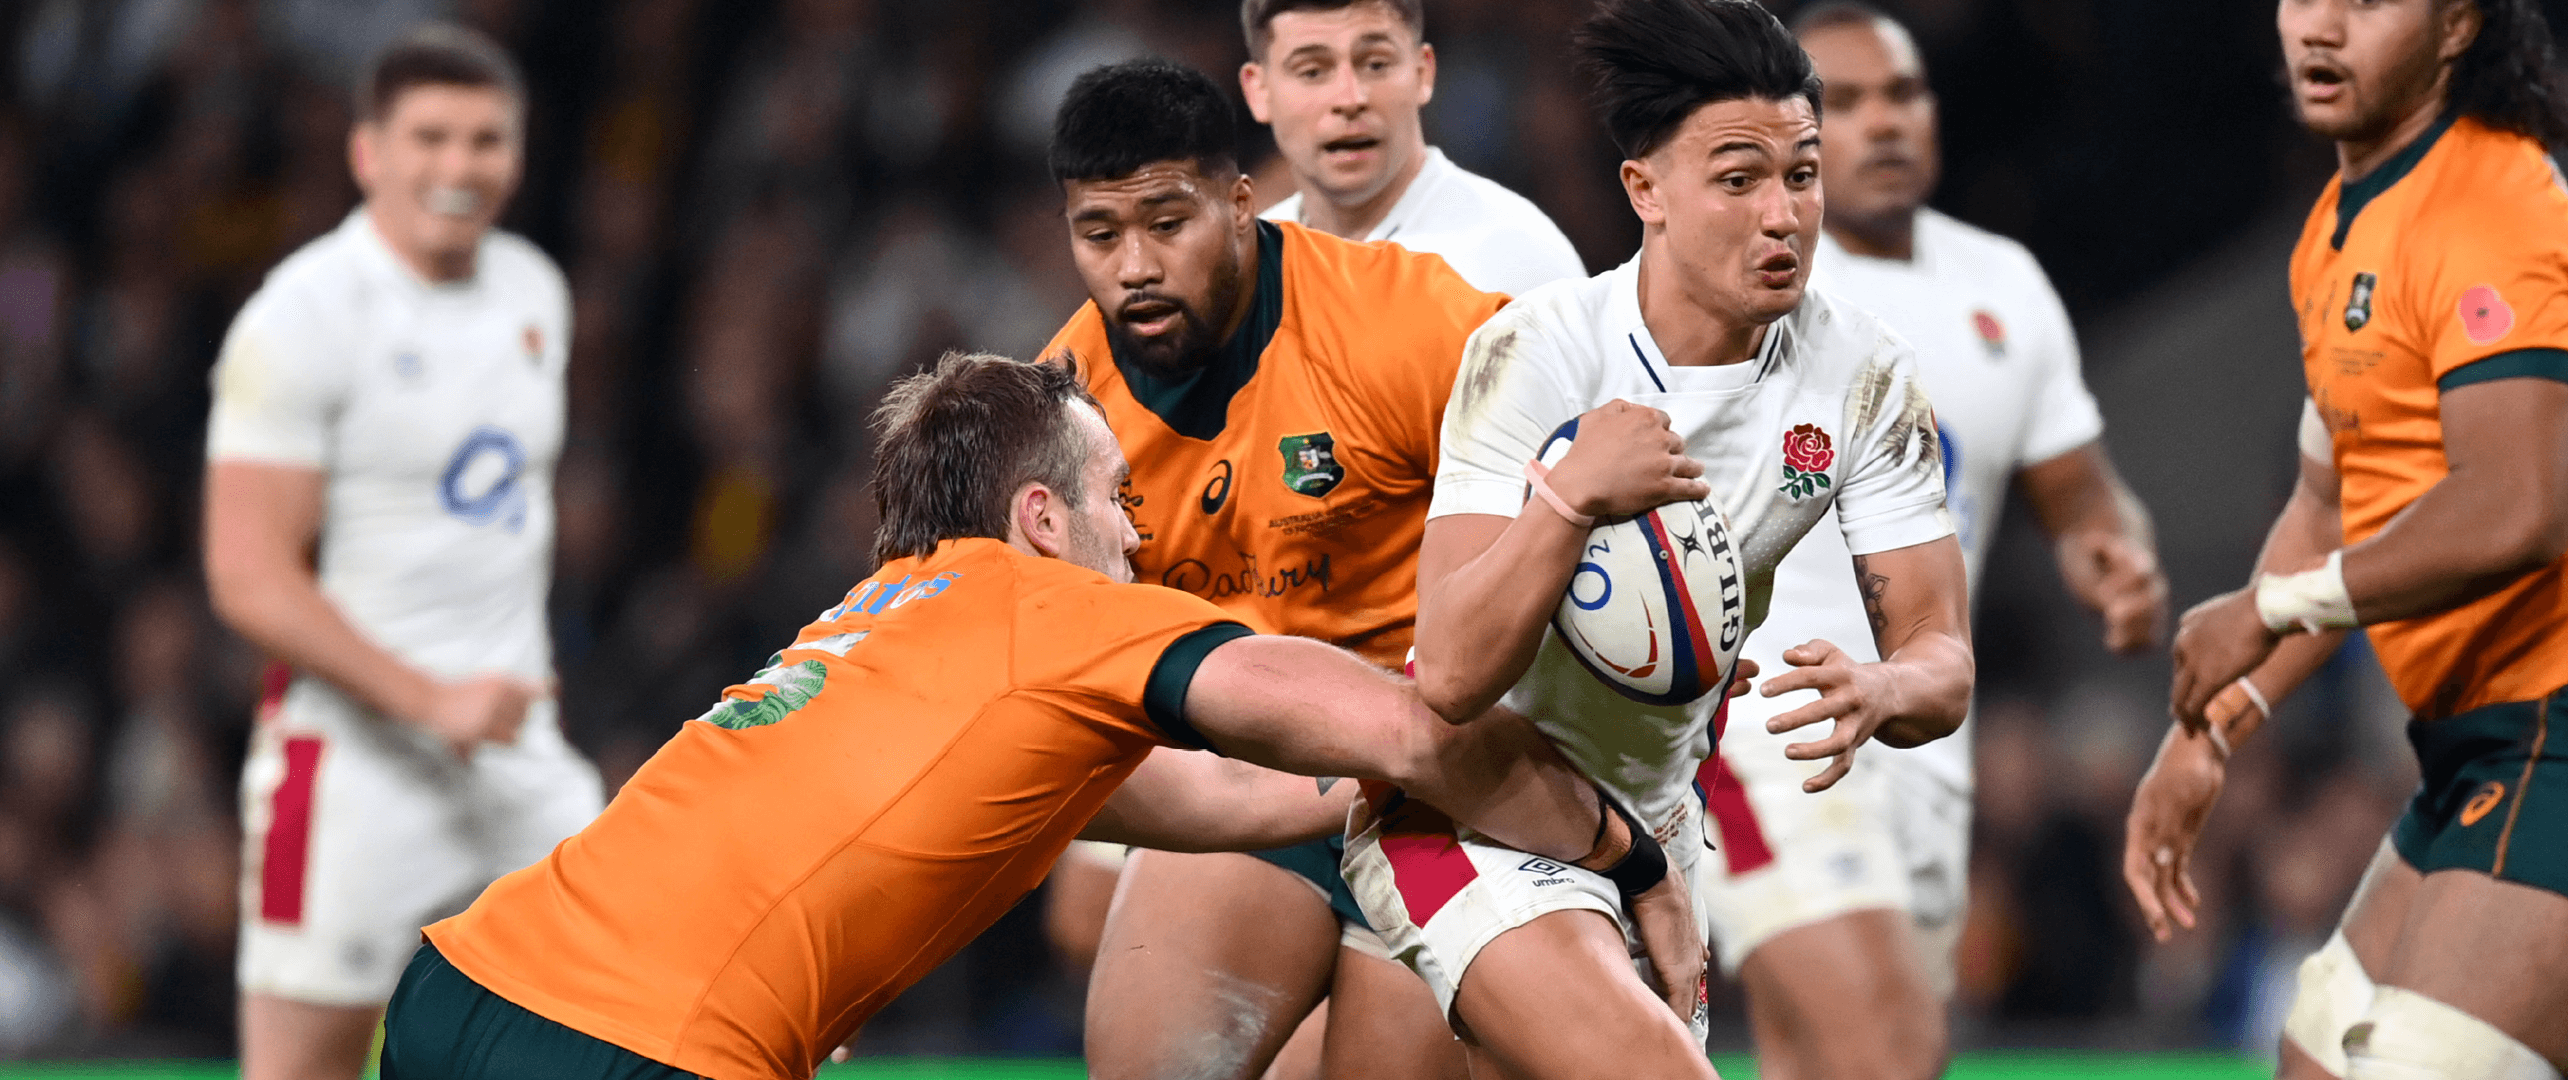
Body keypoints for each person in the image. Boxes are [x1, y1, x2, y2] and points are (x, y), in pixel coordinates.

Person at [382, 350, 1700, 1080]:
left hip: (459, 989)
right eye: (1120, 498)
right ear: (1039, 516)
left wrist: (1381, 809)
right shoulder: (1053, 611)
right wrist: (1629, 850)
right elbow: (1417, 732)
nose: (1140, 530)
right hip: (636, 1050)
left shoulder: (883, 616)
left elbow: (1225, 800)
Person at [2122, 0, 2568, 1080]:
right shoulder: (2337, 231)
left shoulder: (2490, 203)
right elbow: (2324, 498)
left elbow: (2519, 507)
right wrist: (2213, 730)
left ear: (2456, 26)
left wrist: (2269, 610)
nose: (2321, 23)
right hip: (2478, 746)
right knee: (2314, 1063)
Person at [1341, 0, 1977, 1079]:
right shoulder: (1539, 351)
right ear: (1647, 188)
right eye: (1739, 178)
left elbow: (1945, 660)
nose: (1783, 213)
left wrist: (1882, 689)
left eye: (1802, 175)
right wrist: (1570, 496)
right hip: (1469, 808)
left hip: (1654, 831)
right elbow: (1444, 669)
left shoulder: (1860, 372)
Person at [1693, 0, 2169, 1079]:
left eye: (1902, 92)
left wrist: (2113, 547)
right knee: (1887, 1049)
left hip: (1922, 737)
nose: (1884, 122)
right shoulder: (1742, 281)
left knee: (1836, 1060)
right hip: (1770, 723)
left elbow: (2082, 491)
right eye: (1845, 102)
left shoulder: (2004, 286)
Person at [1035, 57, 1503, 1080]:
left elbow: (1576, 521)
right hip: (1247, 785)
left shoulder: (1415, 325)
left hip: (1444, 784)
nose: (1135, 266)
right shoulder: (1063, 417)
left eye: (1169, 221)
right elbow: (1039, 664)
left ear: (1239, 202)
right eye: (1100, 234)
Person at [203, 23, 606, 1080]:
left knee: (651, 1005)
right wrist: (430, 697)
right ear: (367, 150)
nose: (458, 167)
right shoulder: (302, 315)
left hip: (516, 747)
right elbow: (248, 571)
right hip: (351, 761)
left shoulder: (533, 292)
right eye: (430, 137)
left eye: (486, 140)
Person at [1241, 0, 1586, 296]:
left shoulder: (1516, 259)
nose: (1350, 98)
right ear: (1258, 91)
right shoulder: (1243, 273)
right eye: (1312, 71)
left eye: (1376, 64)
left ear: (1424, 74)